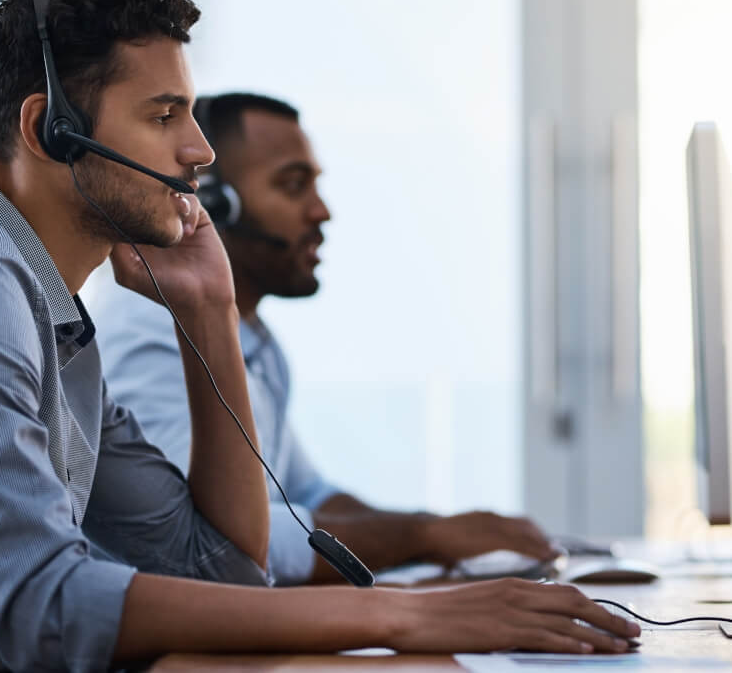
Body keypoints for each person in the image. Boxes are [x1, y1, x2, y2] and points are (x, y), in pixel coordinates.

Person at [0, 0, 638, 670]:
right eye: (163, 116)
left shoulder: (48, 316)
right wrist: (402, 613)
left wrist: (210, 309)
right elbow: (43, 611)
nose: (196, 151)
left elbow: (225, 572)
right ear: (47, 131)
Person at [98, 92, 562, 587]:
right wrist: (426, 537)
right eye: (294, 186)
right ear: (211, 203)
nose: (321, 212)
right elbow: (211, 544)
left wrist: (453, 537)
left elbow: (309, 495)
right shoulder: (152, 332)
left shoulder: (255, 341)